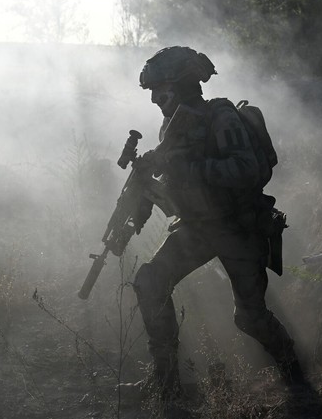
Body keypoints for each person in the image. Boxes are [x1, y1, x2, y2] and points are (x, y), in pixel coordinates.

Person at [130, 46, 304, 398]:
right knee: (150, 281)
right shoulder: (173, 126)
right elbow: (180, 184)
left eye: (159, 91)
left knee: (250, 317)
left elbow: (248, 169)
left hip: (239, 226)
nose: (154, 100)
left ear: (182, 85)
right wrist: (150, 191)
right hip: (198, 226)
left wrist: (192, 170)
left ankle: (298, 379)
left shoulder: (220, 118)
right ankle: (166, 386)